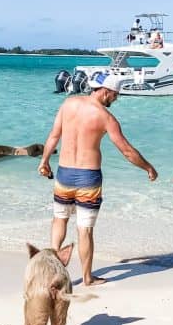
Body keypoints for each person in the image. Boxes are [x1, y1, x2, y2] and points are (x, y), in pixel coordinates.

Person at [38, 73, 158, 285]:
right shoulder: (105, 117)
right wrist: (148, 167)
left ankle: (52, 271)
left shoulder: (68, 103)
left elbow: (54, 135)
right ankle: (87, 278)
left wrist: (44, 161)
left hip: (64, 173)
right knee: (85, 229)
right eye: (115, 95)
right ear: (106, 91)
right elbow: (127, 151)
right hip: (88, 178)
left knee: (59, 219)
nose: (116, 99)